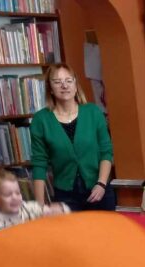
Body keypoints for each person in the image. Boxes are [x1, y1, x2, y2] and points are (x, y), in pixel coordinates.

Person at [30, 63, 115, 212]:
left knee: (105, 235)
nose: (64, 85)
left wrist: (101, 184)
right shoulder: (41, 120)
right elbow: (39, 164)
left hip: (99, 191)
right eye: (57, 82)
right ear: (50, 87)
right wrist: (39, 207)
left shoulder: (93, 112)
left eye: (69, 80)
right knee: (71, 236)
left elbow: (106, 151)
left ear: (75, 85)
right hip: (65, 196)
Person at [0, 168, 69, 230]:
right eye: (8, 195)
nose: (15, 197)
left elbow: (50, 210)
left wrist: (57, 210)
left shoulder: (28, 207)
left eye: (18, 193)